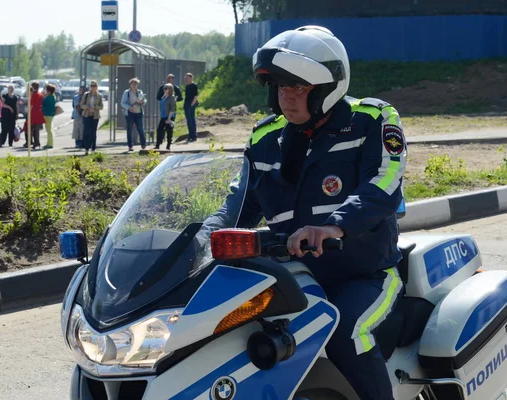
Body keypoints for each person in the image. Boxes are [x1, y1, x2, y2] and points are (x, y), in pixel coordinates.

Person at [202, 26, 407, 400]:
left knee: (347, 332)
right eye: (280, 87)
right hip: (291, 279)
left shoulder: (370, 119)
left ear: (327, 88)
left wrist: (334, 227)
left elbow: (384, 184)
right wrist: (197, 236)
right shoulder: (264, 140)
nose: (287, 97)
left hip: (365, 275)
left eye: (298, 88)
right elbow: (239, 204)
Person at [120, 77, 147, 151]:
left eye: (135, 84)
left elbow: (144, 99)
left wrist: (143, 102)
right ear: (130, 85)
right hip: (130, 113)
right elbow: (122, 103)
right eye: (132, 84)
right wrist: (129, 107)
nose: (134, 86)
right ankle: (130, 146)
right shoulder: (127, 92)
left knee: (140, 129)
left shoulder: (139, 92)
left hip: (138, 113)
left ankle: (143, 144)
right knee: (130, 129)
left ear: (137, 85)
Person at [80, 80, 104, 156]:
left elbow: (101, 106)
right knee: (86, 132)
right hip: (87, 115)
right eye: (91, 86)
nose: (93, 87)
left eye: (94, 86)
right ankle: (86, 148)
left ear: (97, 87)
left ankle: (93, 148)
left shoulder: (99, 95)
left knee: (93, 132)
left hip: (95, 116)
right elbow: (81, 105)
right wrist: (87, 108)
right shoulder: (86, 95)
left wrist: (95, 108)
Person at [154, 83, 176, 150]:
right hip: (163, 116)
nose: (164, 89)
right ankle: (157, 145)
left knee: (169, 131)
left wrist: (169, 118)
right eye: (164, 88)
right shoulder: (163, 96)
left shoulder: (172, 97)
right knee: (159, 130)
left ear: (170, 89)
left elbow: (172, 108)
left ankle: (168, 145)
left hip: (169, 116)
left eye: (166, 88)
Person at [183, 72, 198, 142]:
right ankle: (190, 135)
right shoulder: (187, 86)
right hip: (186, 104)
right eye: (185, 78)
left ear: (191, 78)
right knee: (188, 120)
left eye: (187, 78)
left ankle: (194, 136)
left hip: (191, 104)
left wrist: (192, 104)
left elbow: (196, 96)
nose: (186, 79)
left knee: (192, 120)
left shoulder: (194, 86)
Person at [42, 84, 56, 149]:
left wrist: (44, 96)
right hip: (51, 114)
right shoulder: (53, 96)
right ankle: (50, 143)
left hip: (47, 114)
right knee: (49, 129)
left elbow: (43, 103)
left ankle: (49, 144)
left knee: (48, 130)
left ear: (49, 91)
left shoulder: (48, 98)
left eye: (46, 90)